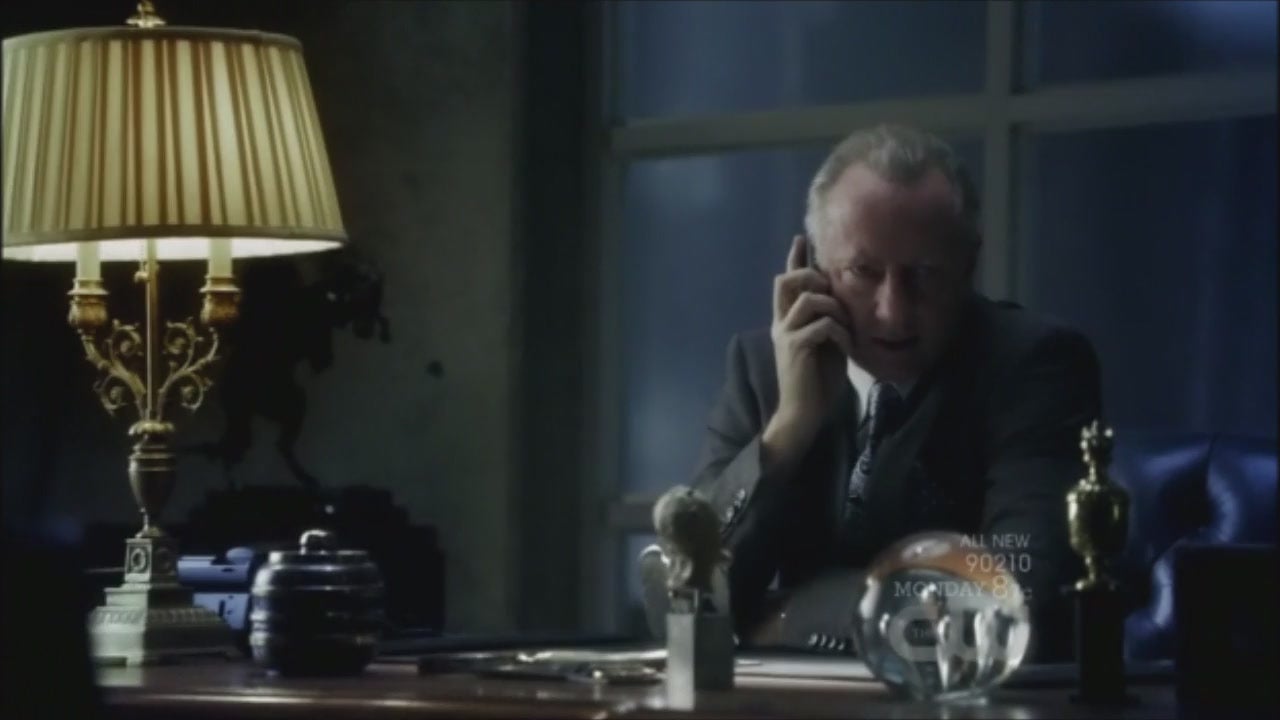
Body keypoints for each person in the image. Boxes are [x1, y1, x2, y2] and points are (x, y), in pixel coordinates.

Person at [689, 124, 1101, 662]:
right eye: (863, 272)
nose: (893, 311)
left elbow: (1020, 599)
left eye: (924, 274)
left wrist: (789, 614)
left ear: (968, 265)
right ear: (813, 270)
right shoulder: (762, 368)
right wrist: (789, 428)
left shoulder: (1034, 365)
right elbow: (684, 599)